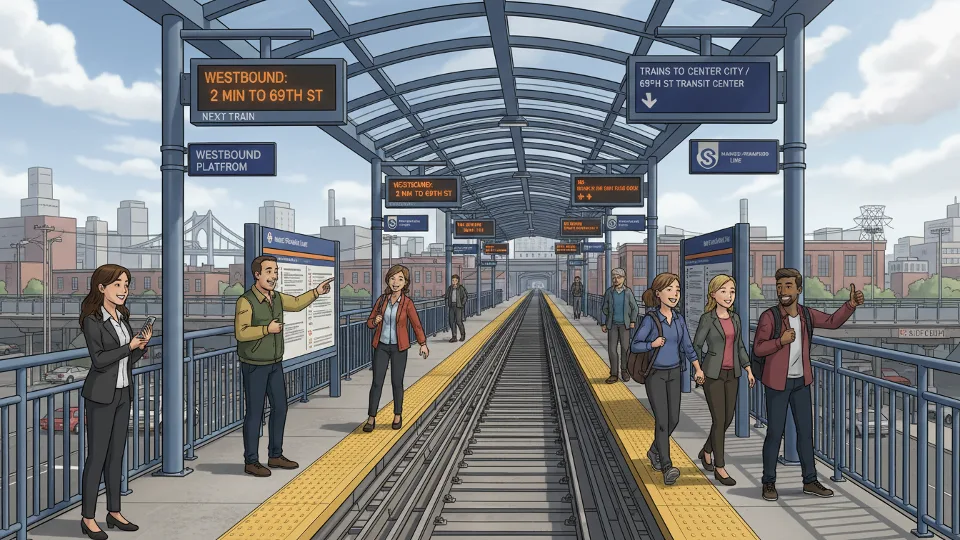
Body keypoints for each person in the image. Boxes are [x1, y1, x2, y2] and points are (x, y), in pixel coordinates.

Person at [754, 268, 863, 501]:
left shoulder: (806, 315)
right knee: (774, 433)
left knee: (806, 434)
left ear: (799, 290)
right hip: (776, 384)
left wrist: (850, 305)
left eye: (788, 286)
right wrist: (779, 341)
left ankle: (810, 481)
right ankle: (769, 482)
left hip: (801, 382)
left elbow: (833, 322)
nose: (783, 291)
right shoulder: (769, 317)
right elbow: (759, 348)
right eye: (780, 286)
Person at [234, 255, 333, 477]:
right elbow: (241, 333)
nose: (274, 276)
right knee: (255, 413)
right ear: (257, 274)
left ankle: (275, 455)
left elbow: (296, 304)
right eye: (269, 271)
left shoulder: (277, 298)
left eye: (276, 271)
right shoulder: (246, 301)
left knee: (280, 407)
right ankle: (251, 460)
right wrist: (265, 330)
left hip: (274, 363)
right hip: (254, 365)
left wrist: (317, 292)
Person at [79, 264, 152, 539]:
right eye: (118, 284)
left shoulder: (122, 317)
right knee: (96, 457)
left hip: (123, 392)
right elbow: (99, 360)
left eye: (126, 284)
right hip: (100, 395)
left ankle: (114, 512)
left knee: (116, 456)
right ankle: (88, 518)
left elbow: (125, 359)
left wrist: (139, 349)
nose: (124, 290)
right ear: (101, 288)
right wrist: (129, 347)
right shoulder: (93, 320)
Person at [630, 272, 696, 485]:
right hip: (655, 374)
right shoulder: (651, 319)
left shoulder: (679, 319)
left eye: (677, 289)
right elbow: (635, 345)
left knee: (674, 419)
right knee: (662, 421)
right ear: (658, 294)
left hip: (675, 372)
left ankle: (653, 450)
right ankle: (667, 466)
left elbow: (687, 345)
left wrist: (697, 368)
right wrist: (652, 344)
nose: (674, 294)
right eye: (669, 289)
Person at [691, 274, 756, 486]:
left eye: (732, 292)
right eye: (724, 291)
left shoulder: (735, 318)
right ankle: (720, 467)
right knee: (719, 420)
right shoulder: (707, 319)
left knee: (728, 418)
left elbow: (739, 346)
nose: (729, 296)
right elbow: (697, 346)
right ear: (713, 294)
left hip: (733, 373)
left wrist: (748, 369)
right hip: (713, 374)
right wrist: (698, 369)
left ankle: (706, 451)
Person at [364, 264, 430, 432]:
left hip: (399, 348)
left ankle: (397, 415)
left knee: (397, 382)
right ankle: (371, 418)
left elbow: (416, 325)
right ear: (388, 280)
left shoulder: (407, 303)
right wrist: (375, 321)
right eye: (393, 278)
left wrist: (423, 344)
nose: (396, 282)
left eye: (400, 279)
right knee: (377, 382)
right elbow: (370, 322)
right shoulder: (381, 300)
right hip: (381, 346)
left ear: (405, 283)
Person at [600, 268, 638, 383]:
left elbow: (635, 308)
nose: (616, 280)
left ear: (623, 278)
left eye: (618, 277)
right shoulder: (609, 292)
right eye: (614, 278)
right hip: (612, 325)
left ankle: (625, 371)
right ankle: (614, 374)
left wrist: (632, 321)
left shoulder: (628, 292)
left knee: (625, 349)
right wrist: (604, 323)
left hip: (625, 325)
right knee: (612, 350)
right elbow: (603, 308)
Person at [445, 274, 467, 342]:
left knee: (458, 321)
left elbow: (465, 297)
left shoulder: (461, 288)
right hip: (451, 306)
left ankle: (462, 335)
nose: (454, 282)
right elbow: (446, 295)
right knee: (451, 322)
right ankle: (454, 337)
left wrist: (462, 304)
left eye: (455, 280)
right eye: (453, 280)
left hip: (458, 306)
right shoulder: (450, 288)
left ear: (458, 281)